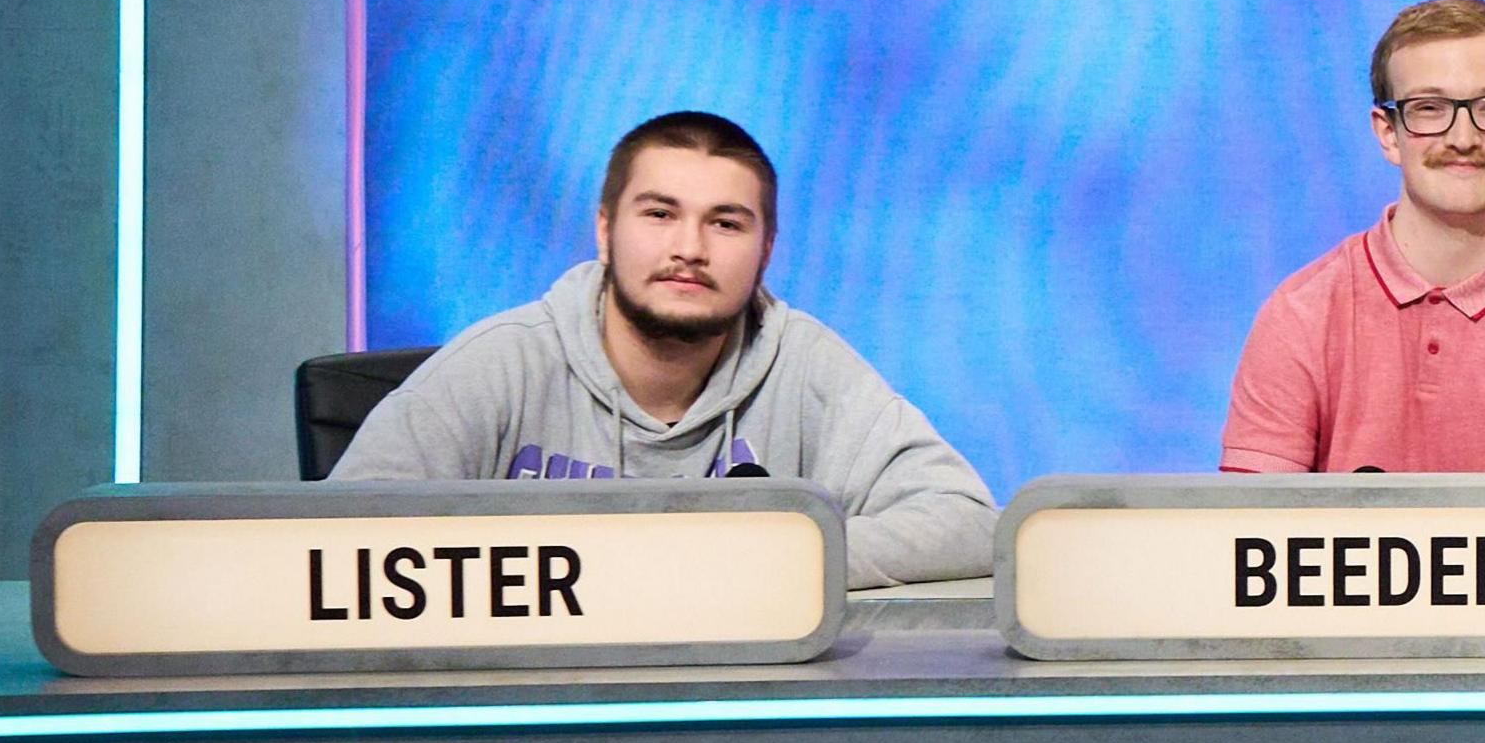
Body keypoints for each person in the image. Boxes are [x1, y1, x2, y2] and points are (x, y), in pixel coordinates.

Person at [334, 110, 997, 587]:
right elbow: (337, 544)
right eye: (659, 215)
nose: (690, 248)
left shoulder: (805, 365)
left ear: (767, 250)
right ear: (604, 231)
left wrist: (766, 557)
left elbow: (967, 523)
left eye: (725, 223)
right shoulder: (501, 364)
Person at [1223, 0, 1485, 474]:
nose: (1463, 137)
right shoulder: (1301, 317)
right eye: (1430, 109)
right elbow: (1254, 539)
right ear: (1388, 133)